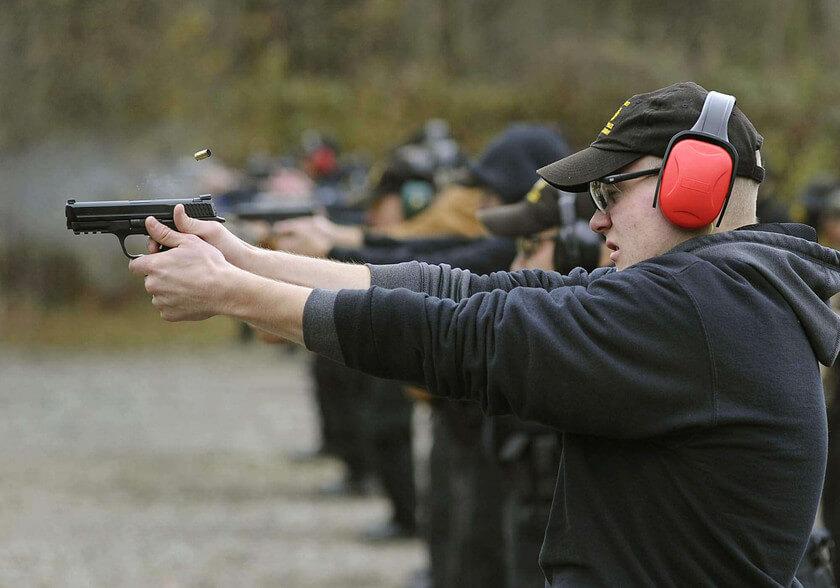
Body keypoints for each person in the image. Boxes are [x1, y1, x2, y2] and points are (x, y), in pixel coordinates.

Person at [128, 82, 840, 585]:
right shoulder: (718, 295)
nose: (594, 222)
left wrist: (235, 294)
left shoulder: (703, 307)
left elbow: (469, 339)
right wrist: (248, 261)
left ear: (692, 183)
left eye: (609, 193)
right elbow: (466, 293)